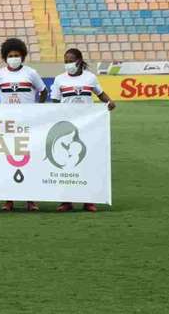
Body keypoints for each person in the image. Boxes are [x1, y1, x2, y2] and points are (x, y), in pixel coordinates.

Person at [50, 47, 116, 213]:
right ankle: (67, 201)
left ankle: (89, 201)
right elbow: (54, 104)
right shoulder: (59, 80)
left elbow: (100, 95)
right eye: (65, 61)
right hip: (67, 129)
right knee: (66, 164)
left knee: (88, 163)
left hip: (88, 127)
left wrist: (110, 102)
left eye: (70, 60)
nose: (68, 64)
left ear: (79, 60)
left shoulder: (90, 77)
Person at [0, 38, 47, 212]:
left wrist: (37, 110)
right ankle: (9, 199)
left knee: (29, 161)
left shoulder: (31, 73)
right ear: (5, 57)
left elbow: (43, 92)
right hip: (8, 126)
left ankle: (31, 199)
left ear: (23, 56)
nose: (14, 58)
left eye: (17, 55)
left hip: (28, 125)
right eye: (11, 55)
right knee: (8, 161)